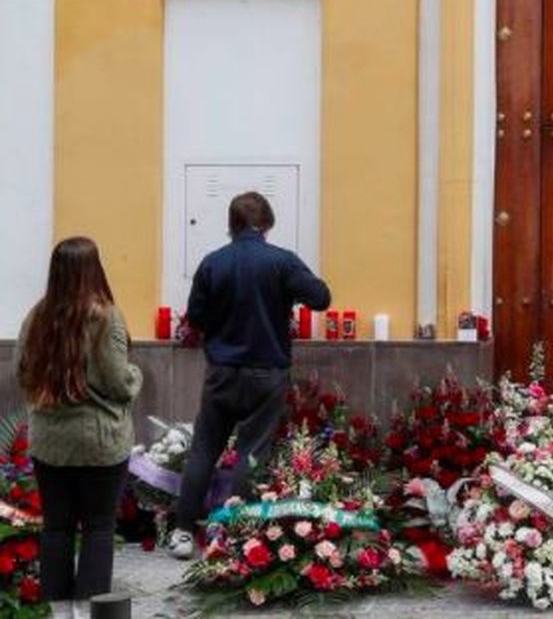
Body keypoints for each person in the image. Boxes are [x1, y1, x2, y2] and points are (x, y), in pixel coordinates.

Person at [165, 192, 331, 560]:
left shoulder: (213, 263)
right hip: (266, 373)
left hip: (222, 372)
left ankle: (181, 532)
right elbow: (321, 297)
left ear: (232, 224)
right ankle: (233, 530)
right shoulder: (281, 262)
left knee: (204, 449)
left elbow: (197, 316)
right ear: (267, 224)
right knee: (251, 453)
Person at [15, 237, 142, 617]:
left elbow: (23, 371)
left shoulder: (36, 316)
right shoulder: (105, 316)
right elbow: (117, 381)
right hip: (99, 442)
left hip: (50, 442)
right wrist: (136, 376)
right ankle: (89, 613)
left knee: (56, 527)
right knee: (98, 528)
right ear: (94, 269)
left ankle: (59, 612)